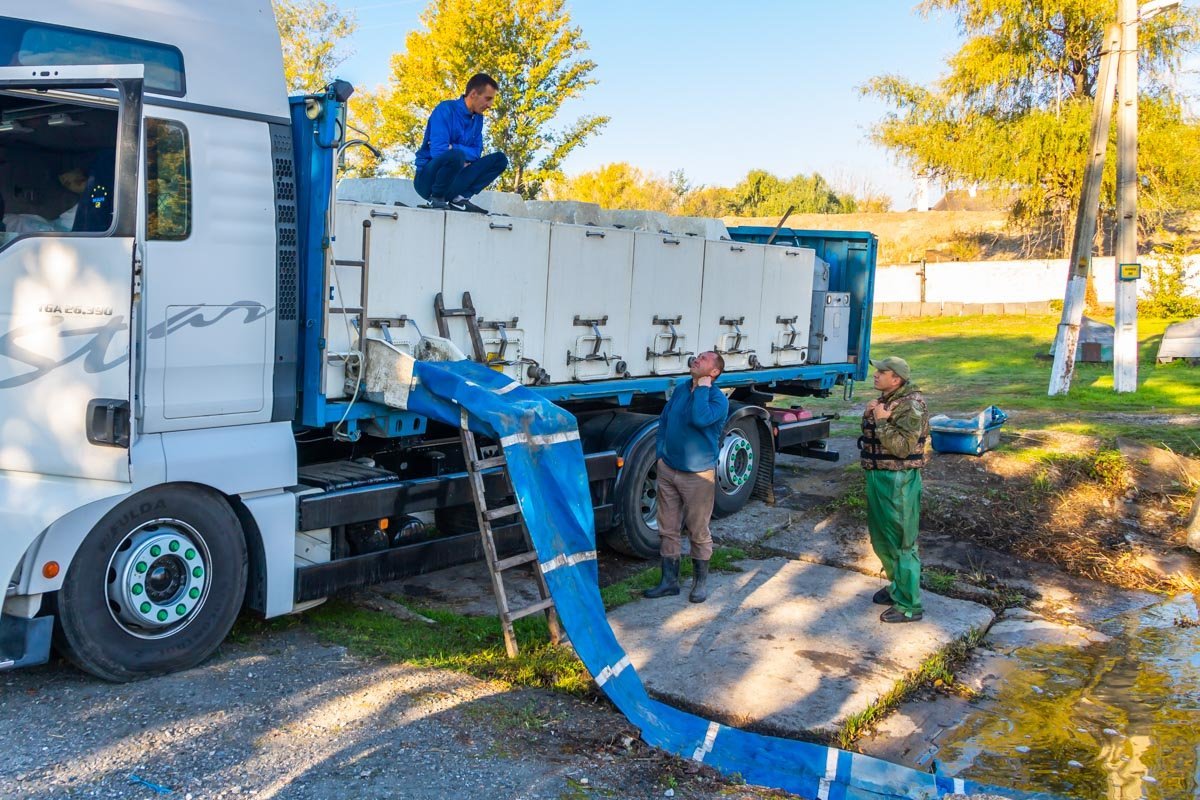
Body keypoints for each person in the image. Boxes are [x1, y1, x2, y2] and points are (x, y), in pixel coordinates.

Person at [644, 351, 729, 603]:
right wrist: (661, 454)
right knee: (667, 528)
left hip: (698, 475)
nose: (696, 359)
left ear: (714, 373)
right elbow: (665, 420)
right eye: (697, 356)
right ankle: (669, 581)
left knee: (697, 529)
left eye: (704, 360)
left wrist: (702, 388)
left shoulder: (717, 400)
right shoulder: (682, 389)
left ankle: (699, 583)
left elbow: (699, 418)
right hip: (669, 469)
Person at [859, 356, 930, 623]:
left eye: (882, 372)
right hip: (879, 476)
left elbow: (901, 449)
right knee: (881, 538)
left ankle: (909, 604)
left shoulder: (911, 406)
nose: (876, 375)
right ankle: (897, 587)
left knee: (901, 542)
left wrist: (880, 421)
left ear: (896, 379)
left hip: (898, 481)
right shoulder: (887, 402)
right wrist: (872, 414)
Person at [413, 73, 509, 213]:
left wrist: (455, 149)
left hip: (454, 180)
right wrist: (460, 157)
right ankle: (436, 198)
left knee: (500, 159)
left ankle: (460, 199)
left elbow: (476, 153)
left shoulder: (478, 119)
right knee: (456, 156)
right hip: (428, 181)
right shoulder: (445, 110)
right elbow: (438, 151)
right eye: (487, 99)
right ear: (474, 94)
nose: (490, 105)